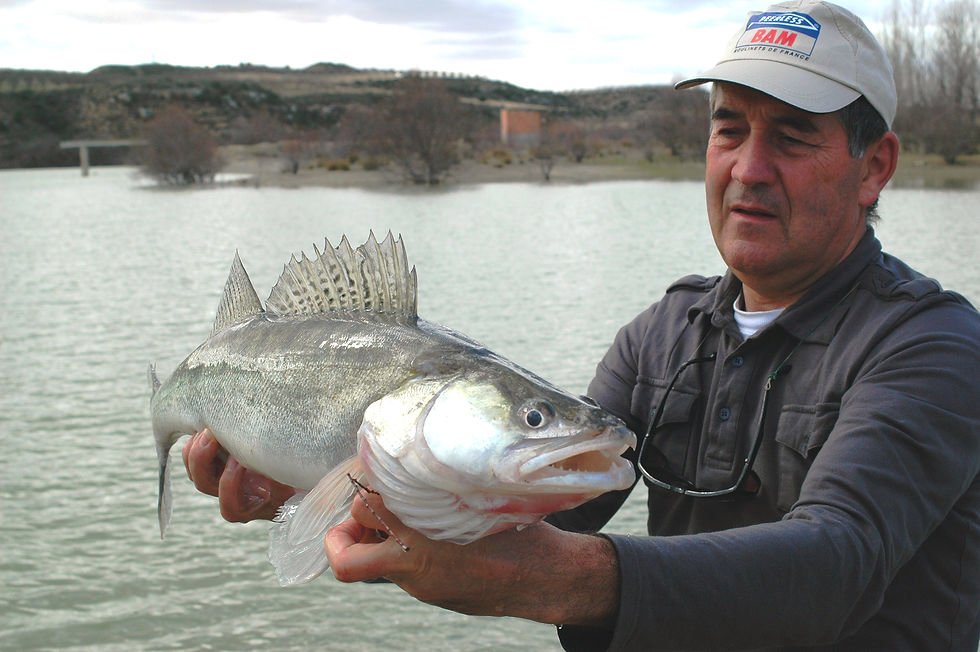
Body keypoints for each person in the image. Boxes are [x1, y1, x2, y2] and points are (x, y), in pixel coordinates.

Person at [182, 1, 980, 649]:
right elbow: (538, 517)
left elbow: (836, 567)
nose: (747, 166)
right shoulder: (663, 334)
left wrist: (553, 581)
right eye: (730, 127)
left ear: (874, 164)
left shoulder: (934, 347)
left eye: (793, 136)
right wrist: (344, 485)